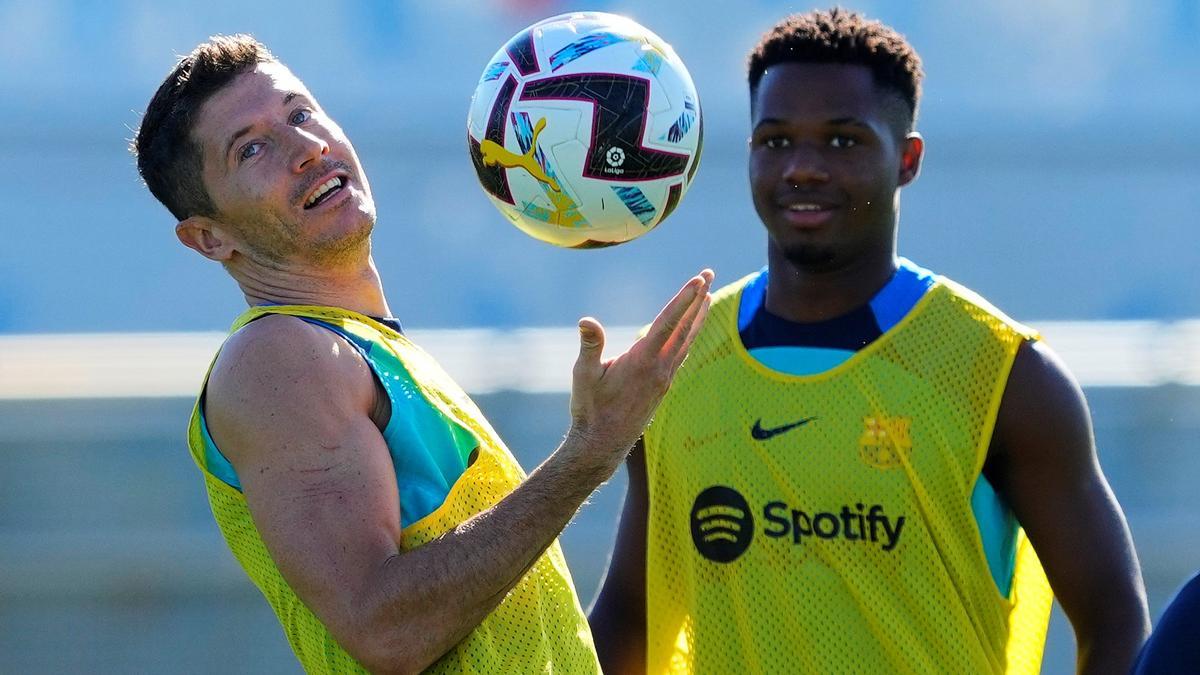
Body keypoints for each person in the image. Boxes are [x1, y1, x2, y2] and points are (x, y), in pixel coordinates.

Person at [590, 9, 1149, 674]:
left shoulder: (1002, 374)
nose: (802, 168)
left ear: (907, 160)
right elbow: (629, 616)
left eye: (842, 141)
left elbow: (1115, 621)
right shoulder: (675, 364)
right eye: (775, 141)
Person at [132, 34, 712, 674]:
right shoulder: (278, 358)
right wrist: (590, 451)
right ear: (209, 238)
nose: (306, 148)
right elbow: (386, 629)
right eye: (251, 149)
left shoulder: (365, 347)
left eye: (300, 113)